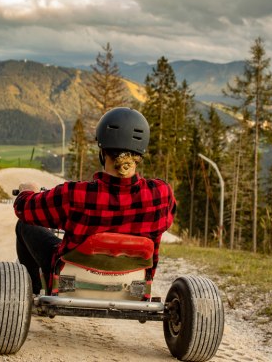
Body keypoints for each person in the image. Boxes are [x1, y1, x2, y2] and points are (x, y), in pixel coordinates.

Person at [14, 107, 176, 295]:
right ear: (140, 153)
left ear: (102, 150)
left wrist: (27, 191)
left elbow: (23, 209)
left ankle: (34, 291)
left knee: (24, 225)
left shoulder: (75, 194)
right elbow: (170, 214)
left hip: (70, 287)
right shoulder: (161, 194)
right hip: (133, 290)